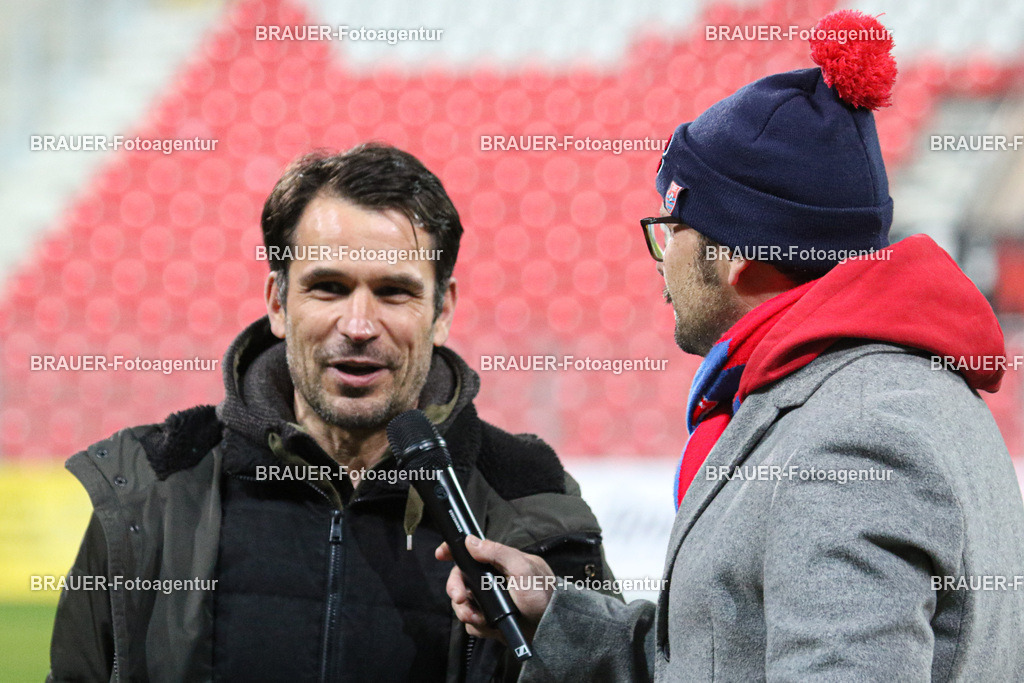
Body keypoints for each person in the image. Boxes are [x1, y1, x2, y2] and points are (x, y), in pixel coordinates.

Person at [440, 11, 1024, 681]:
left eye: (671, 230)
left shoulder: (854, 437)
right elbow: (717, 659)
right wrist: (557, 616)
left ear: (740, 258)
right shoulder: (887, 392)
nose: (660, 260)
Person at [48, 142, 614, 681]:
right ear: (278, 302)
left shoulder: (533, 500)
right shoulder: (153, 489)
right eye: (329, 288)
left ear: (442, 311)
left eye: (394, 292)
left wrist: (562, 630)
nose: (360, 326)